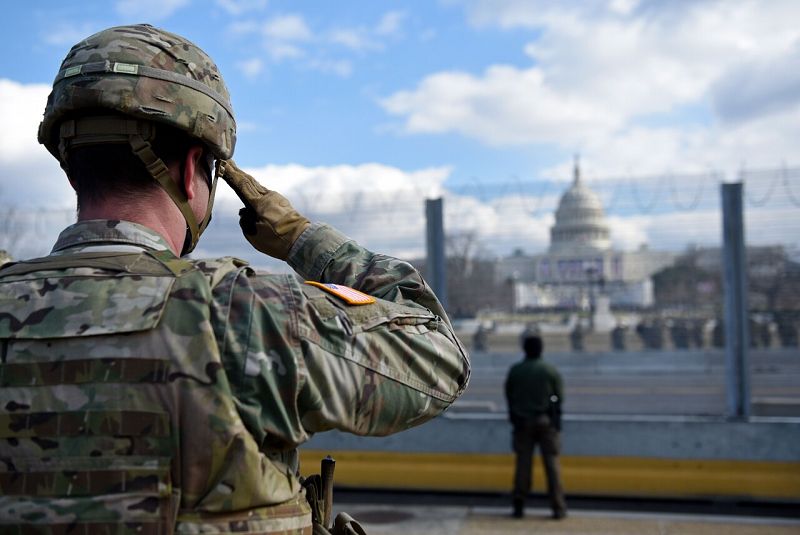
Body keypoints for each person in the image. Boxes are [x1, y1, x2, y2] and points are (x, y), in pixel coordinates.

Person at [0, 24, 470, 534]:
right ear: (191, 171)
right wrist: (300, 238)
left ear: (71, 170)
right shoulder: (244, 315)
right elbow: (438, 355)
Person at [504, 335, 567, 520]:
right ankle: (558, 507)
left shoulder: (516, 370)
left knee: (523, 465)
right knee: (552, 465)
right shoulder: (549, 370)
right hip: (546, 422)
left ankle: (519, 504)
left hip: (523, 423)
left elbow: (509, 395)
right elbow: (560, 397)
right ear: (541, 349)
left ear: (524, 349)